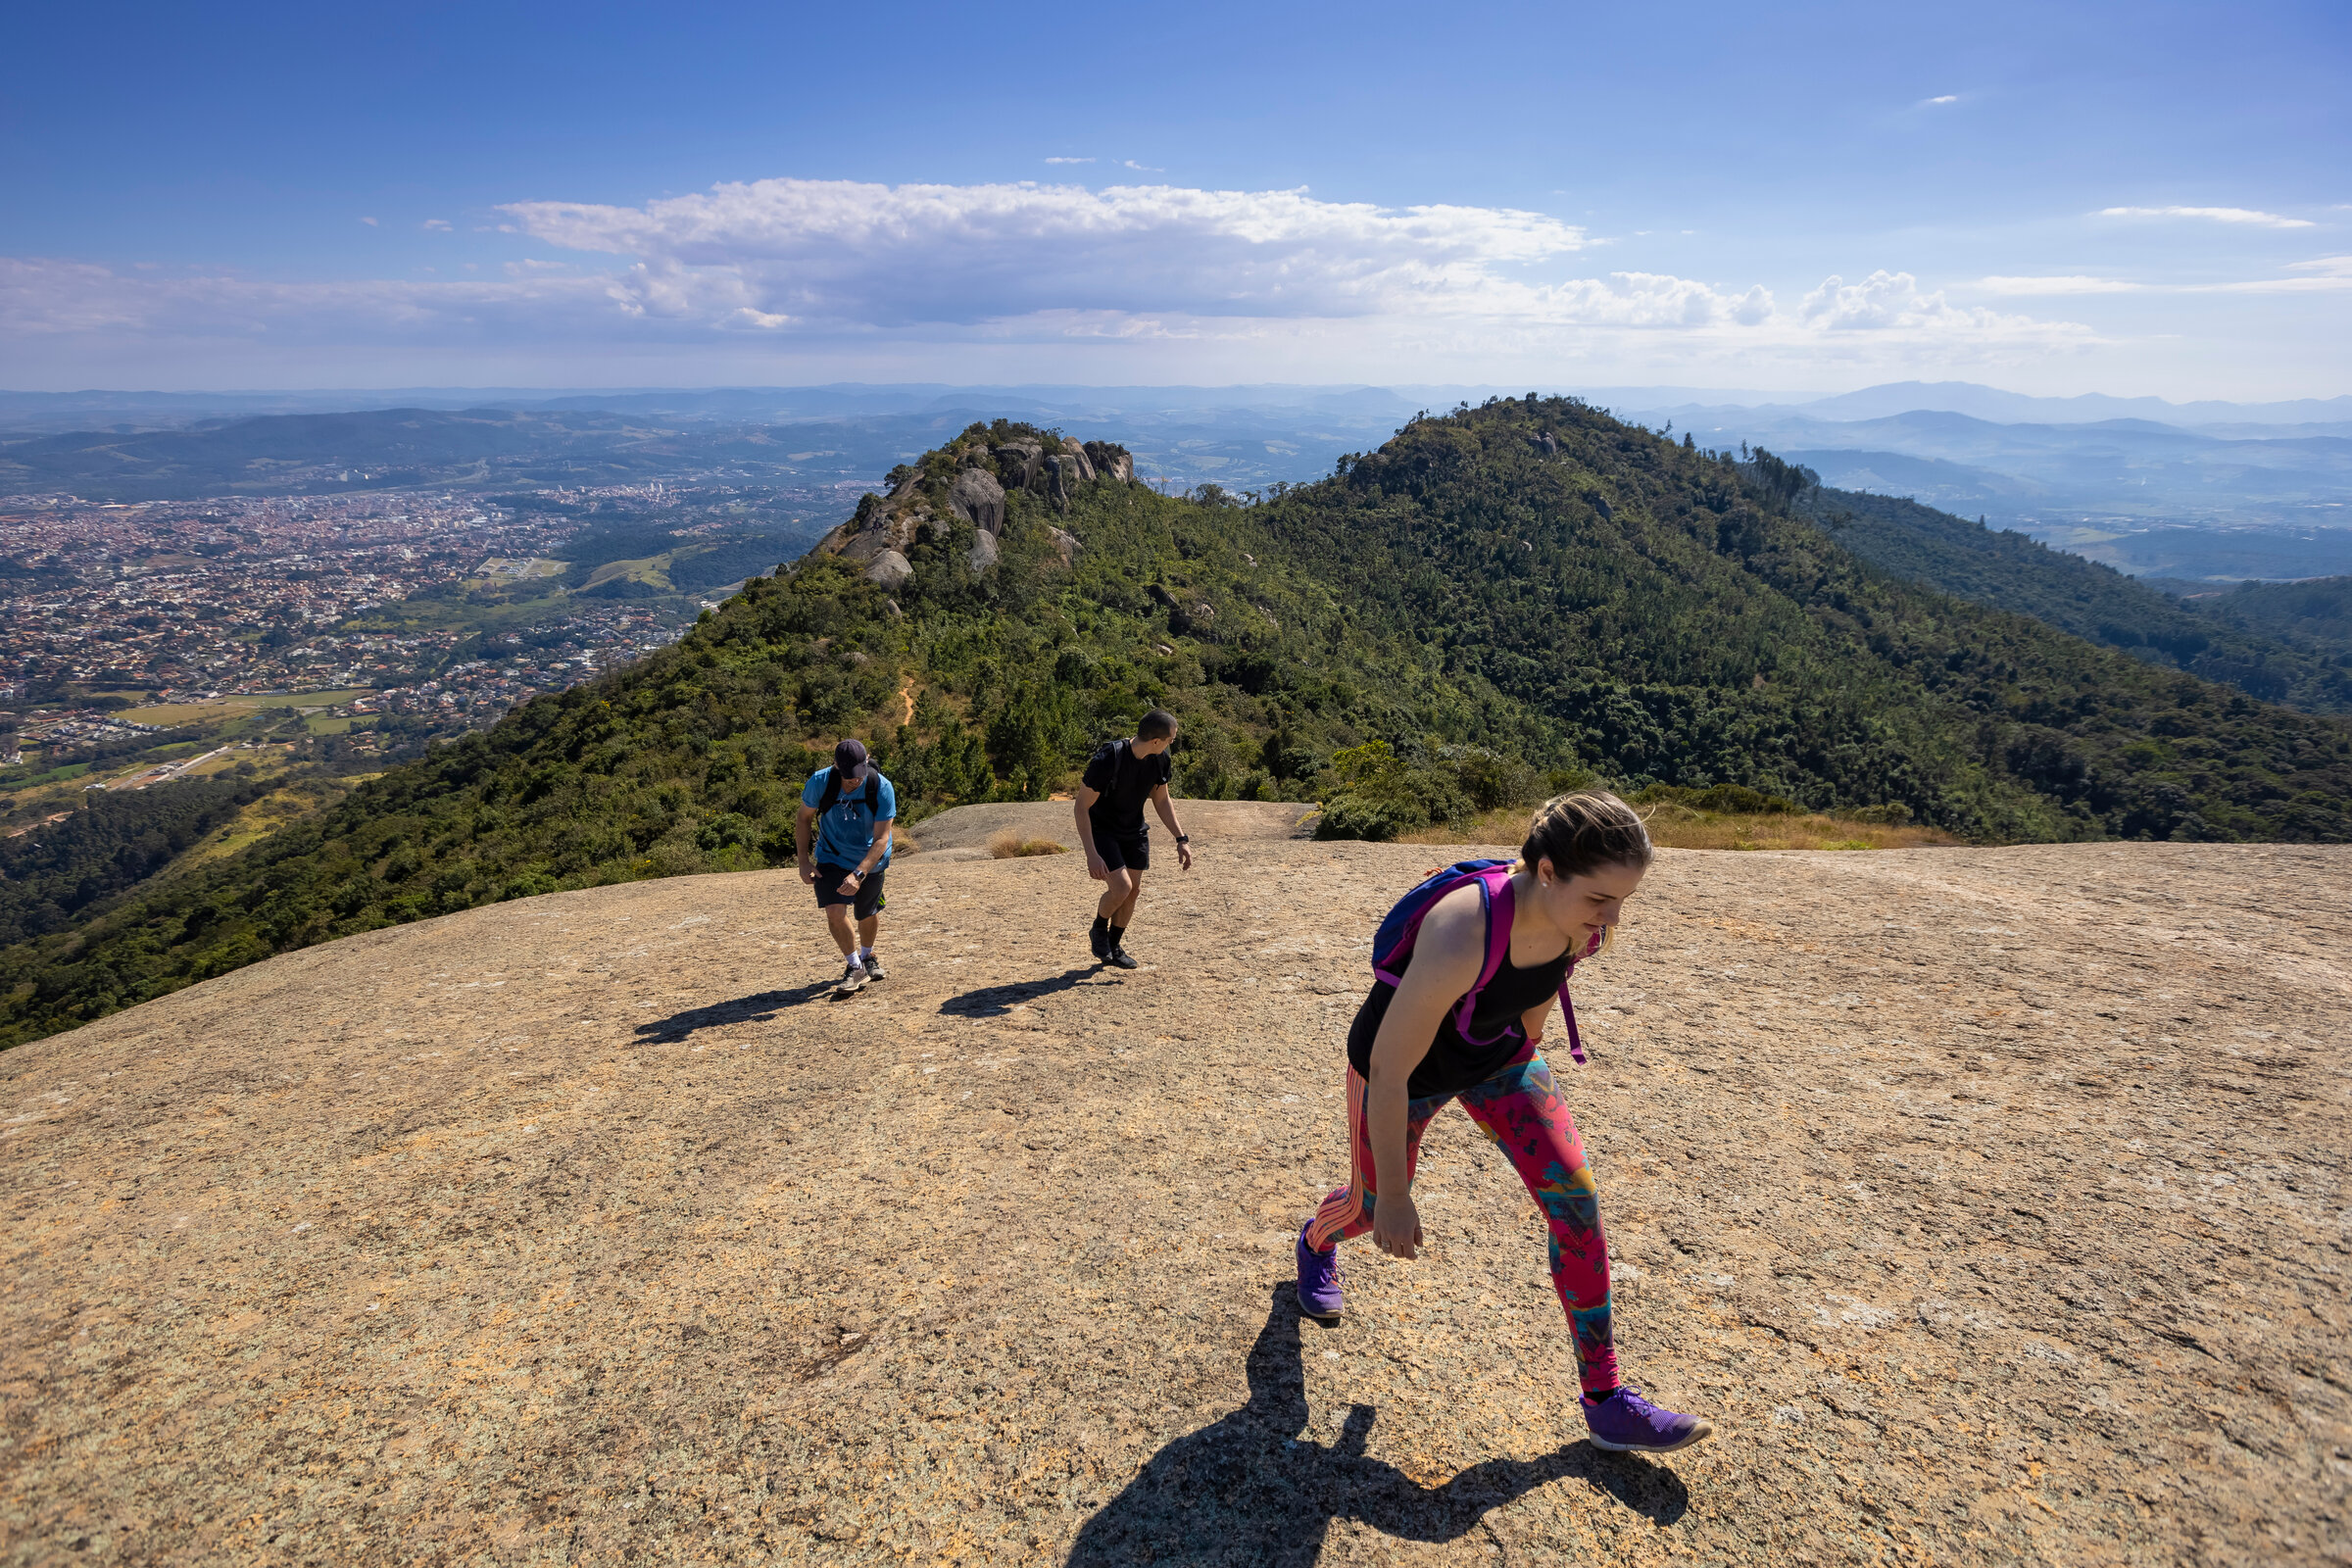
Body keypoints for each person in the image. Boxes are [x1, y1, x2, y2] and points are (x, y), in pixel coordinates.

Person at [1295, 792, 1713, 1455]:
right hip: (1402, 1077)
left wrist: (1520, 1073)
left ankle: (1605, 1402)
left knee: (1577, 1205)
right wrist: (1400, 1197)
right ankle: (1318, 1241)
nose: (1612, 918)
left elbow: (1539, 995)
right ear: (1547, 871)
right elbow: (1390, 1068)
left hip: (1497, 1059)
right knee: (1370, 1211)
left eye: (1624, 900)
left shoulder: (1584, 923)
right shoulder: (1463, 930)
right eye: (1601, 898)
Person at [1074, 709, 1194, 969]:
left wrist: (1180, 838)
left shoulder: (1160, 759)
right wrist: (1091, 854)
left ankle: (1114, 947)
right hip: (1103, 830)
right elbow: (1081, 806)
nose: (1172, 743)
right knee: (1122, 887)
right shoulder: (1109, 758)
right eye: (1171, 739)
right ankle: (1098, 928)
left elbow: (1161, 799)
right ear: (1155, 741)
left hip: (1134, 830)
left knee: (1133, 892)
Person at [796, 738, 897, 997]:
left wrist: (859, 874)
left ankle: (868, 955)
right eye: (849, 776)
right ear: (836, 766)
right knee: (834, 911)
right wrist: (804, 860)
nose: (856, 781)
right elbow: (804, 818)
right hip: (832, 856)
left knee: (867, 912)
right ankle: (855, 967)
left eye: (859, 773)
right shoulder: (820, 782)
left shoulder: (880, 786)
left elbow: (882, 838)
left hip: (870, 858)